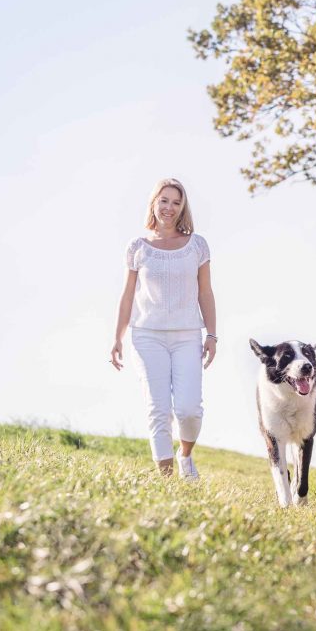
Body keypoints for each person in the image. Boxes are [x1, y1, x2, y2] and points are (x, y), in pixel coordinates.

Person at [111, 178, 217, 479]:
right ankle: (168, 483)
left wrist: (211, 334)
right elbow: (127, 295)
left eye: (176, 202)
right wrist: (117, 338)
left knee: (189, 409)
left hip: (187, 336)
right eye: (164, 201)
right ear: (154, 203)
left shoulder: (197, 245)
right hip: (147, 336)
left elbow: (205, 292)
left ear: (183, 208)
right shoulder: (138, 247)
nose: (169, 207)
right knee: (158, 409)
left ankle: (186, 455)